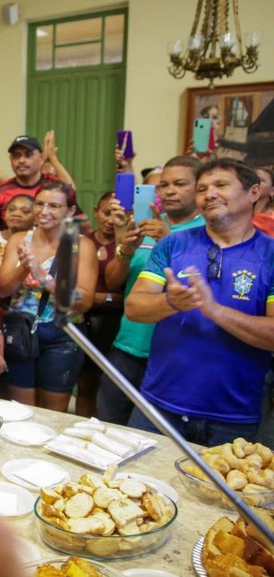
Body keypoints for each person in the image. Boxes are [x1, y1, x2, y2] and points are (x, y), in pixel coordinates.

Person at [125, 159, 274, 446]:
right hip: (158, 405)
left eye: (221, 185)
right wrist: (171, 302)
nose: (209, 194)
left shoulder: (269, 254)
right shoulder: (173, 244)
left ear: (253, 193)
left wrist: (215, 311)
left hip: (233, 416)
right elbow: (134, 307)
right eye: (202, 188)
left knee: (215, 492)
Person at [97, 156, 205, 425]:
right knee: (109, 426)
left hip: (171, 353)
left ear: (199, 187)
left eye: (179, 184)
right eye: (163, 185)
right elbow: (113, 281)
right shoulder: (145, 223)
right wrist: (125, 250)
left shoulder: (207, 231)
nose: (169, 191)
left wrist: (168, 239)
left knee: (149, 436)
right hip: (127, 343)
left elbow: (205, 285)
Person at [0, 181, 97, 411]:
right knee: (21, 410)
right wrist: (24, 266)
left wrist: (44, 278)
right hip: (20, 330)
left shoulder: (81, 246)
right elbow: (3, 290)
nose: (44, 212)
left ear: (70, 211)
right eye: (39, 204)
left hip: (62, 333)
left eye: (54, 206)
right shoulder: (19, 240)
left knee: (53, 413)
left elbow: (85, 300)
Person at [0, 194, 36, 398]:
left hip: (16, 313)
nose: (17, 214)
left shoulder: (36, 241)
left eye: (25, 210)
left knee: (9, 373)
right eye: (12, 209)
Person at [77, 191, 121, 418]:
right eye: (106, 213)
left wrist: (100, 298)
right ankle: (83, 424)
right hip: (83, 321)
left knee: (110, 385)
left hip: (115, 322)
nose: (110, 220)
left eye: (116, 214)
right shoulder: (84, 242)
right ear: (96, 211)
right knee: (85, 382)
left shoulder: (127, 245)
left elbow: (127, 291)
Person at [0, 132, 83, 230]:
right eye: (16, 156)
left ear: (41, 157)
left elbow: (71, 192)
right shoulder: (0, 191)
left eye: (28, 155)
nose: (21, 160)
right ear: (10, 160)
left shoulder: (53, 186)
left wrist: (52, 158)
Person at [252, 164, 274, 237]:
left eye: (261, 180)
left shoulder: (271, 220)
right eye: (252, 179)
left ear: (272, 191)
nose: (254, 183)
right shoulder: (232, 213)